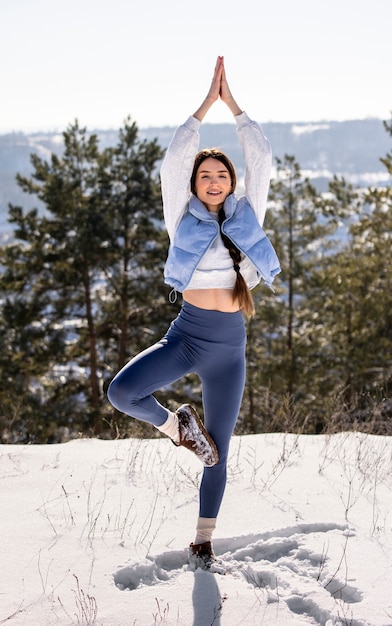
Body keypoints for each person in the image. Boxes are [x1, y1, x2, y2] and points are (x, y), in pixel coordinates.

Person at [107, 56, 280, 571]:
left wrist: (237, 108)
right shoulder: (179, 218)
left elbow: (262, 159)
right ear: (194, 183)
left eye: (220, 174)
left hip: (229, 350)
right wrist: (206, 105)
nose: (211, 180)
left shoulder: (249, 215)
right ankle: (177, 426)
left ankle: (203, 541)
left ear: (230, 182)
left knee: (219, 452)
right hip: (186, 336)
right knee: (121, 392)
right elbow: (174, 161)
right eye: (203, 175)